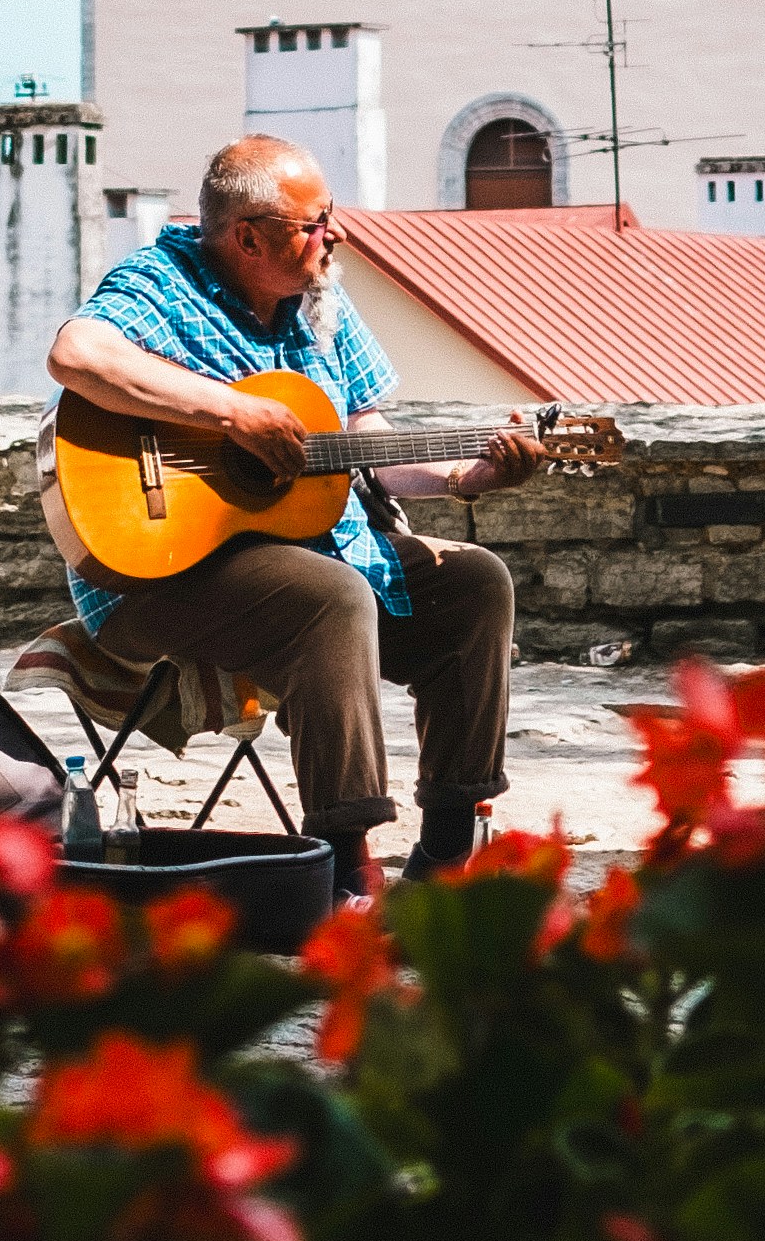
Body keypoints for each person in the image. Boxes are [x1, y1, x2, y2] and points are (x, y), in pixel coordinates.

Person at [45, 135, 538, 896]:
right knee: (328, 594)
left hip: (302, 552)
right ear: (247, 235)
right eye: (314, 222)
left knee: (474, 582)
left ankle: (445, 861)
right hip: (152, 573)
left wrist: (466, 476)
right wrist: (233, 412)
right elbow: (77, 355)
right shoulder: (159, 281)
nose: (332, 234)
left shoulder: (323, 304)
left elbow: (359, 443)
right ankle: (344, 871)